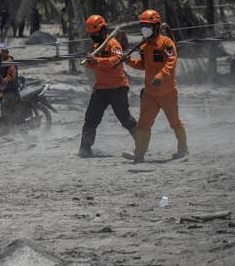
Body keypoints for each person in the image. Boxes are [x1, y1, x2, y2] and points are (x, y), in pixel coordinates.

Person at [122, 10, 187, 162]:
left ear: (156, 26)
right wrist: (129, 61)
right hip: (150, 94)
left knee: (175, 122)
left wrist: (160, 76)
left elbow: (171, 62)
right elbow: (144, 65)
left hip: (167, 92)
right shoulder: (144, 46)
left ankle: (183, 150)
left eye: (148, 26)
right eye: (143, 26)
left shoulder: (167, 43)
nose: (145, 29)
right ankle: (139, 154)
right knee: (143, 124)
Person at [79, 15, 137, 157]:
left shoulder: (113, 44)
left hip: (118, 88)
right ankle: (85, 148)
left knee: (125, 119)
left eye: (95, 33)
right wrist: (90, 61)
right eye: (91, 34)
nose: (93, 36)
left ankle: (142, 142)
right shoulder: (96, 46)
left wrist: (97, 60)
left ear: (103, 30)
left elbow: (117, 60)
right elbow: (94, 65)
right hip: (101, 89)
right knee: (91, 119)